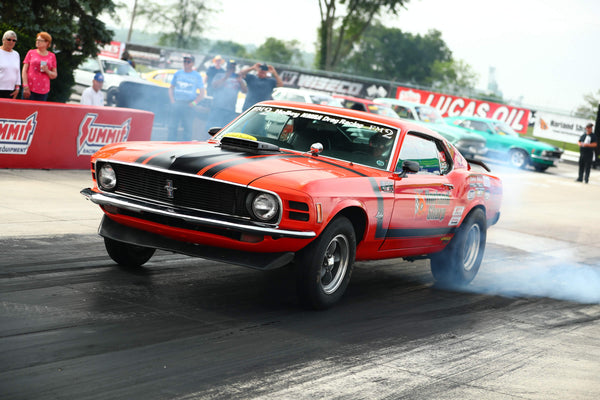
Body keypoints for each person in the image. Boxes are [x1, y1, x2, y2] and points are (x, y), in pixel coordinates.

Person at [168, 54, 205, 141]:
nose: (186, 63)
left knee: (187, 128)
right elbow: (171, 88)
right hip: (177, 103)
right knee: (172, 127)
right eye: (185, 61)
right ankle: (169, 145)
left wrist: (194, 103)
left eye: (188, 61)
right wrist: (172, 101)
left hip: (189, 104)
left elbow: (202, 93)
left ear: (192, 63)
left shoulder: (197, 76)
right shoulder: (178, 73)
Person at [205, 59, 247, 134]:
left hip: (230, 110)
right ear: (227, 68)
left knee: (226, 131)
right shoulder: (219, 75)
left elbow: (245, 91)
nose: (232, 69)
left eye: (233, 67)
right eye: (230, 67)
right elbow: (214, 85)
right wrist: (225, 77)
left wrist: (240, 81)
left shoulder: (237, 78)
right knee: (211, 129)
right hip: (217, 107)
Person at [22, 31, 57, 101]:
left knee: (38, 111)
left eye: (40, 40)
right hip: (29, 88)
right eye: (37, 40)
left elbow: (54, 75)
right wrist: (25, 86)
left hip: (43, 91)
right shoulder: (31, 52)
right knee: (25, 110)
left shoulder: (52, 56)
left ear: (47, 42)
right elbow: (24, 70)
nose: (37, 42)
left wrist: (47, 71)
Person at [0, 30, 21, 99]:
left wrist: (17, 87)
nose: (11, 42)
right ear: (3, 40)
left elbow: (18, 72)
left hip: (11, 90)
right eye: (9, 39)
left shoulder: (16, 54)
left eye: (14, 40)